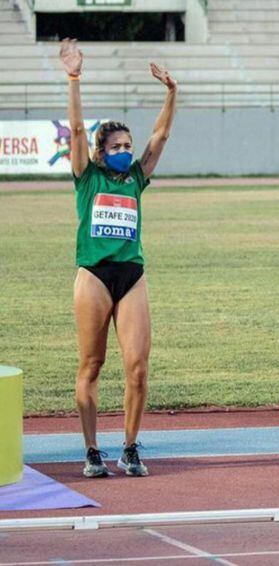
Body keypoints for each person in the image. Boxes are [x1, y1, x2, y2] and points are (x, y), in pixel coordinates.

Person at [61, 38, 178, 477]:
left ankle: (129, 447)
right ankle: (92, 451)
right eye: (117, 145)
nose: (126, 150)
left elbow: (161, 135)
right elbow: (75, 131)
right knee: (92, 364)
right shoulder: (87, 177)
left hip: (131, 276)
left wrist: (171, 92)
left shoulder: (135, 178)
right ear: (101, 151)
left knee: (138, 368)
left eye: (128, 143)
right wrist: (74, 78)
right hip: (93, 275)